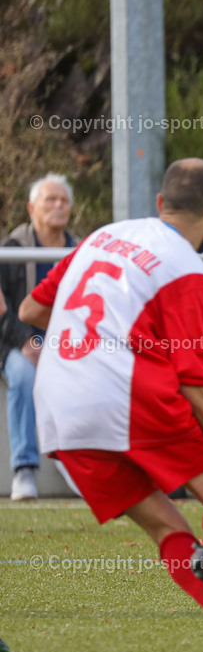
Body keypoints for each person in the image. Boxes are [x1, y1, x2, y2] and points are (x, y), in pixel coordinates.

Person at [19, 159, 203, 652]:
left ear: (161, 203)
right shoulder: (189, 271)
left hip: (59, 409)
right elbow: (195, 380)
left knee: (167, 529)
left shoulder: (102, 236)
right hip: (126, 395)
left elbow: (31, 311)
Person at [0, 173, 79, 501]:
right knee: (23, 375)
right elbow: (3, 309)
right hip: (16, 343)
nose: (58, 205)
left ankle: (75, 460)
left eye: (64, 200)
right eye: (51, 200)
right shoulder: (11, 249)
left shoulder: (80, 250)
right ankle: (24, 469)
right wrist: (27, 341)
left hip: (67, 343)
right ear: (32, 208)